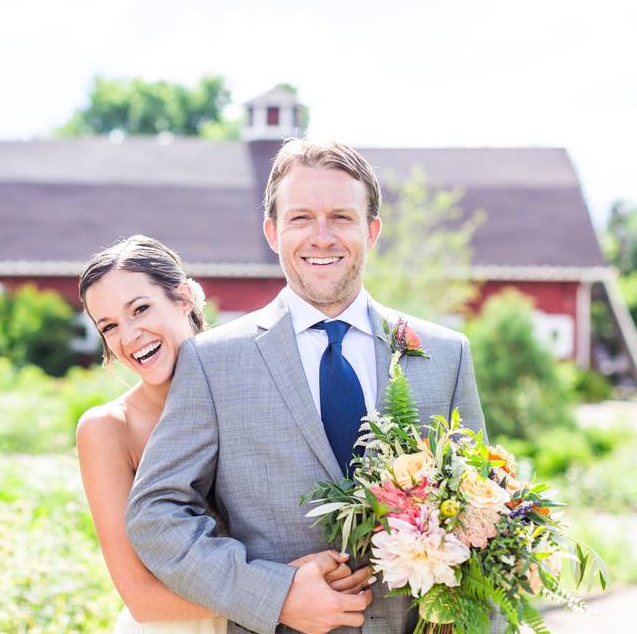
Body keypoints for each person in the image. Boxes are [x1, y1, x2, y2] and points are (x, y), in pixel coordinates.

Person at [126, 140, 503, 634]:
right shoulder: (213, 363)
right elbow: (156, 514)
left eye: (341, 218)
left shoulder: (445, 355)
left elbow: (482, 525)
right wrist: (274, 595)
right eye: (301, 218)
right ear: (272, 232)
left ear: (372, 231)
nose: (321, 237)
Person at [76, 236, 374, 634]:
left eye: (140, 309)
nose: (128, 337)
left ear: (183, 298)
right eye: (109, 326)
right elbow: (141, 598)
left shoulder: (256, 386)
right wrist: (280, 595)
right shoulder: (108, 428)